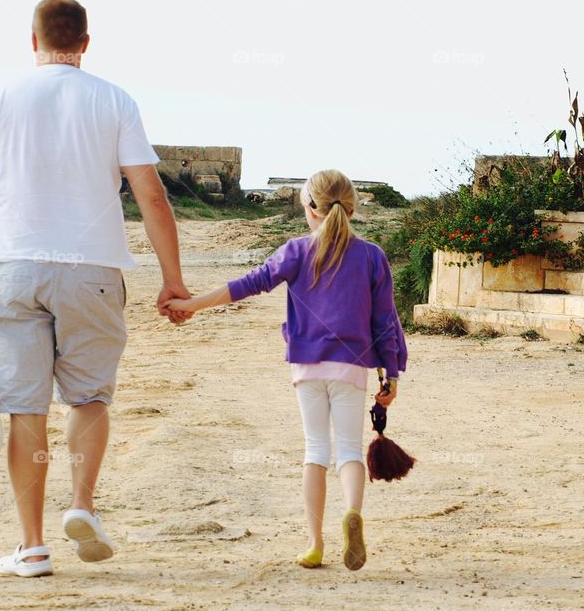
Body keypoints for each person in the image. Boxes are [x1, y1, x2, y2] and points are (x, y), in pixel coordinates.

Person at [0, 0, 193, 578]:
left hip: (14, 267)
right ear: (86, 43)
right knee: (89, 396)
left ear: (32, 41)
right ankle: (82, 505)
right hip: (92, 269)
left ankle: (32, 545)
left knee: (24, 407)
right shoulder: (114, 100)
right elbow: (152, 196)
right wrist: (173, 281)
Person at [164, 169, 407, 571]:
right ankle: (353, 513)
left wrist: (189, 305)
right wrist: (390, 375)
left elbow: (247, 284)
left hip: (307, 367)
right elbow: (385, 322)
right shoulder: (372, 256)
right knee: (348, 450)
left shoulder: (295, 251)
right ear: (352, 208)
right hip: (352, 366)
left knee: (315, 451)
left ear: (309, 208)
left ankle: (314, 544)